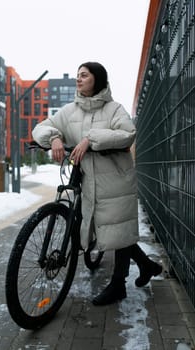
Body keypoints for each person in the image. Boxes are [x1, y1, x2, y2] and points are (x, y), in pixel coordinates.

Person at [32, 61, 162, 306]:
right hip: (87, 178)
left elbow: (127, 134)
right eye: (77, 76)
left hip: (115, 178)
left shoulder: (114, 109)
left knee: (118, 228)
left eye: (84, 75)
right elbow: (42, 127)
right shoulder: (69, 111)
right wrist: (55, 137)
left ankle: (118, 286)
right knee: (109, 227)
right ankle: (147, 266)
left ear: (98, 79)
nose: (78, 79)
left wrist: (90, 139)